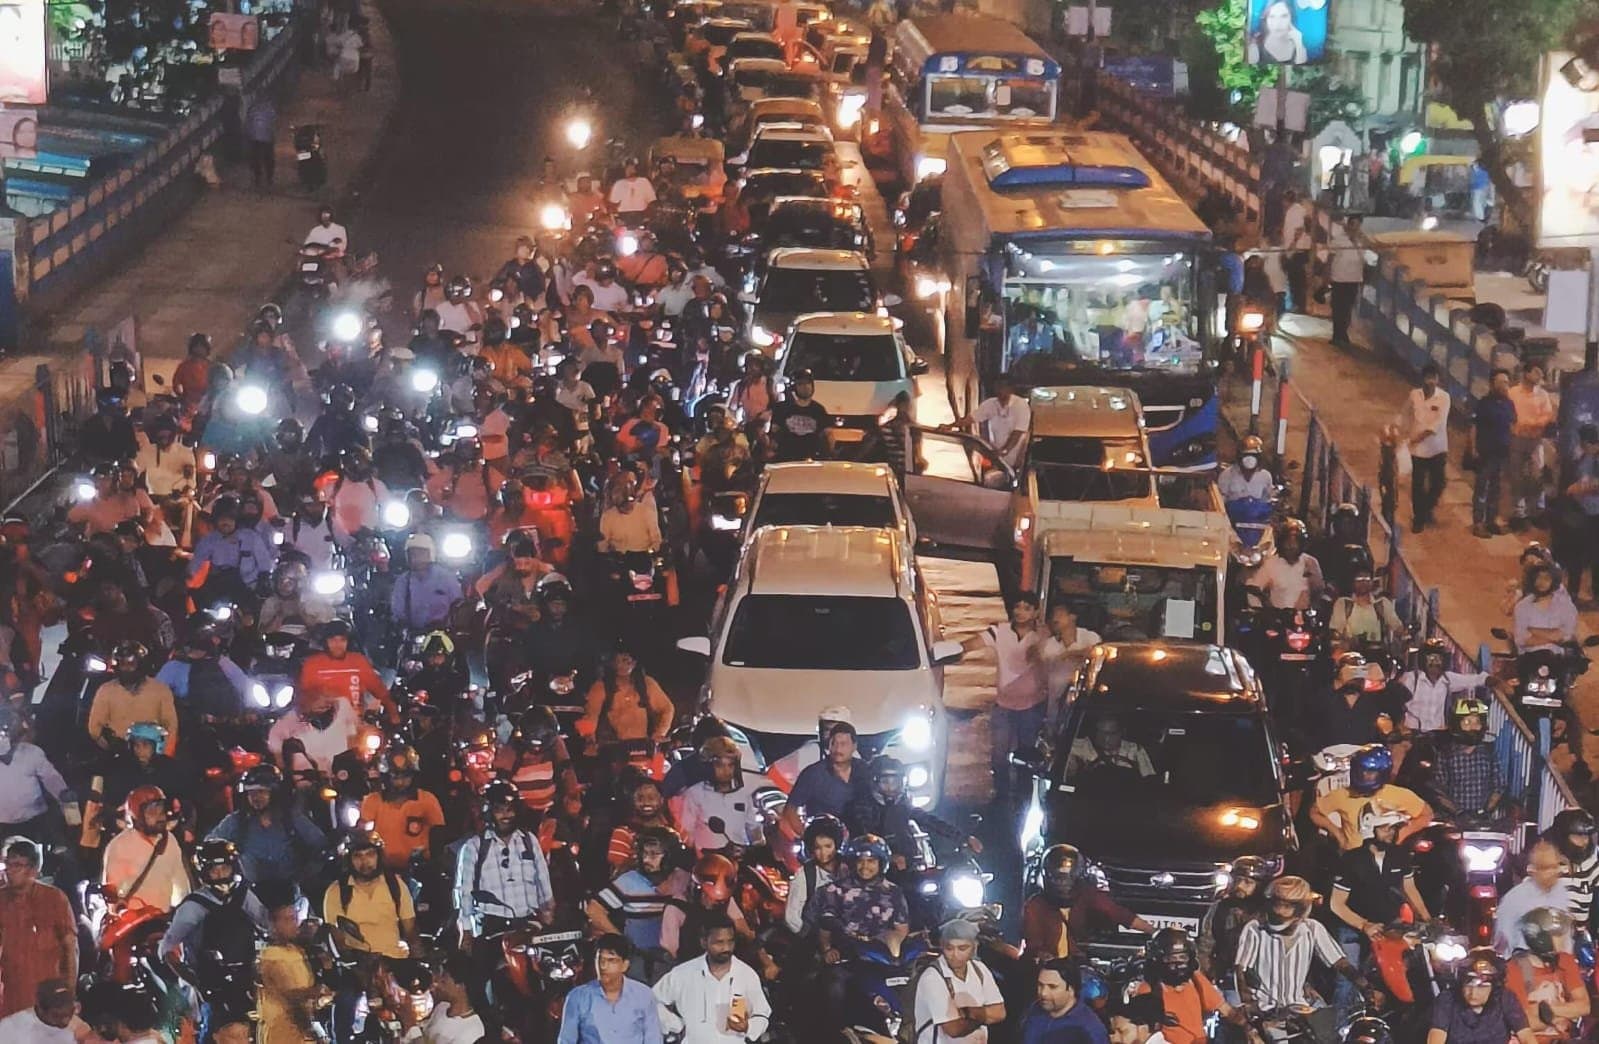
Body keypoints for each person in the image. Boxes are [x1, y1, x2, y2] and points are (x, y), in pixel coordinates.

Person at [1234, 876, 1374, 1042]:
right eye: (1277, 904)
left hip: (1300, 1010)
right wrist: (1250, 1007)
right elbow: (1241, 971)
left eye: (1286, 906)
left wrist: (1366, 987)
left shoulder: (1312, 928)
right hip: (1266, 1012)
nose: (1279, 911)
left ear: (1301, 909)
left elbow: (1340, 963)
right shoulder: (1255, 929)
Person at [1328, 804, 1432, 1014]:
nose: (1391, 833)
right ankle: (1340, 1027)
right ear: (1370, 828)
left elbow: (1410, 889)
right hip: (1353, 930)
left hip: (1391, 928)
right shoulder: (1351, 860)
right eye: (1385, 828)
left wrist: (1428, 920)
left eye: (1393, 828)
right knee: (1348, 980)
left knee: (1417, 970)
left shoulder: (1400, 855)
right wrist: (1364, 925)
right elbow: (1336, 904)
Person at [161, 840, 265, 1043]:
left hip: (246, 977)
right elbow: (167, 948)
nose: (220, 875)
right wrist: (193, 980)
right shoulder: (193, 906)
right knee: (213, 1030)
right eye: (214, 871)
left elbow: (266, 923)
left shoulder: (244, 896)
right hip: (209, 983)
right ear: (204, 873)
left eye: (225, 868)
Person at [962, 595, 1046, 799]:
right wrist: (949, 651)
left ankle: (1025, 796)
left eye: (1027, 608)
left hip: (1032, 706)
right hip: (1004, 705)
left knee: (1027, 755)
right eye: (1017, 606)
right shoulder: (999, 631)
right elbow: (970, 644)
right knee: (999, 755)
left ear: (1036, 612)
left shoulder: (1044, 635)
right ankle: (1000, 796)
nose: (1020, 612)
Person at [455, 780, 557, 949]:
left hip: (528, 925)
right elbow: (464, 892)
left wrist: (548, 914)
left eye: (510, 809)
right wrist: (466, 931)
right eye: (499, 810)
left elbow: (543, 881)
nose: (506, 816)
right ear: (488, 812)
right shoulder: (474, 846)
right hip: (491, 927)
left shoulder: (528, 840)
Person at [589, 829, 691, 983]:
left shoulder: (682, 880)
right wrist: (621, 940)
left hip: (676, 963)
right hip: (639, 963)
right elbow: (594, 910)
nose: (646, 860)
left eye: (654, 855)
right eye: (644, 854)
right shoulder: (629, 881)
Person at [207, 764, 327, 890]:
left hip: (291, 890)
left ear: (275, 793)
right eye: (251, 793)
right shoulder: (237, 822)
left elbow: (320, 846)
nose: (255, 798)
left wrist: (307, 876)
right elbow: (210, 845)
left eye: (261, 792)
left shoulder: (292, 820)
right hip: (249, 893)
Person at [653, 914, 771, 1043]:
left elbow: (762, 1014)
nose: (726, 948)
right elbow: (651, 1001)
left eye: (730, 941)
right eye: (719, 942)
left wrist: (748, 1027)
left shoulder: (746, 974)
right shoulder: (683, 974)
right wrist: (675, 1025)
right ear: (704, 942)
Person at [1021, 844, 1152, 957]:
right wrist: (1047, 960)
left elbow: (1119, 914)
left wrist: (1154, 932)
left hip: (1077, 965)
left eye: (1068, 878)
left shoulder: (1086, 896)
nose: (1063, 884)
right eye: (1058, 878)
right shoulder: (1035, 906)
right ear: (1047, 877)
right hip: (1046, 970)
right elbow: (1034, 946)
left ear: (1078, 877)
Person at [0, 840, 76, 1019]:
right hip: (10, 996)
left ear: (33, 870)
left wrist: (69, 991)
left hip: (47, 997)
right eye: (7, 864)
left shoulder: (54, 899)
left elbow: (70, 948)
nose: (9, 871)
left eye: (17, 865)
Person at [1311, 744, 1431, 851]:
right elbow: (1315, 812)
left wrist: (1402, 834)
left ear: (1381, 773)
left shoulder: (1398, 794)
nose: (1364, 775)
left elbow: (1427, 813)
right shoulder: (1342, 794)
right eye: (1361, 771)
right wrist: (1337, 833)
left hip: (1388, 855)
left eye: (1370, 773)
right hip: (1353, 858)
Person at [913, 917, 1007, 1043]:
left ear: (974, 947)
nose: (955, 955)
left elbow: (1000, 1013)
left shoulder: (979, 969)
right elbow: (954, 1029)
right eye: (949, 948)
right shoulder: (932, 977)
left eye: (962, 948)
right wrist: (984, 1015)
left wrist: (968, 1013)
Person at [559, 934, 665, 1043]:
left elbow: (654, 1039)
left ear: (625, 965)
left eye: (611, 960)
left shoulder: (643, 994)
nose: (603, 966)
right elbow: (566, 1040)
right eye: (600, 959)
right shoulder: (577, 997)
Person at [102, 786, 191, 911]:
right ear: (137, 815)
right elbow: (112, 894)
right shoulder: (120, 845)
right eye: (152, 812)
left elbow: (180, 886)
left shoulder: (170, 841)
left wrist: (184, 911)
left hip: (163, 918)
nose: (160, 817)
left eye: (161, 810)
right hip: (132, 919)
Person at [1504, 908, 1588, 1040]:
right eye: (1557, 935)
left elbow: (1584, 1006)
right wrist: (1562, 1016)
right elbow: (1523, 1022)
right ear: (1540, 939)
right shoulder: (1514, 969)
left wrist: (1547, 1011)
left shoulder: (1565, 960)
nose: (1563, 939)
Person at [360, 745, 446, 871]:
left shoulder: (427, 800)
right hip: (381, 871)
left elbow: (439, 836)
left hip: (419, 870)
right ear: (386, 778)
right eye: (395, 777)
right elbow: (363, 837)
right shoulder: (372, 801)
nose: (400, 782)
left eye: (406, 777)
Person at [1197, 856, 1272, 997]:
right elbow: (1206, 944)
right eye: (1237, 880)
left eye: (1248, 882)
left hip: (1264, 980)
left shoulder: (1269, 913)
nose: (1240, 886)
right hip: (1228, 978)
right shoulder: (1221, 908)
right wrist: (1206, 976)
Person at [1430, 948, 1539, 1044]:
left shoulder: (1505, 998)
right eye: (1468, 985)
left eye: (1481, 987)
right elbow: (1436, 1035)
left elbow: (1526, 1036)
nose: (1473, 993)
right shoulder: (1447, 999)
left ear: (1493, 987)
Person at [87, 641, 179, 754]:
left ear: (141, 665)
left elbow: (171, 726)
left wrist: (164, 755)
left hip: (153, 752)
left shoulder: (160, 690)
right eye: (122, 664)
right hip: (119, 751)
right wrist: (111, 751)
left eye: (131, 664)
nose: (126, 669)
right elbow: (94, 729)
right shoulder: (106, 690)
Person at [580, 643, 674, 753]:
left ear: (635, 662)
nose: (622, 664)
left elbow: (667, 709)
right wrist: (589, 740)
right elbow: (589, 716)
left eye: (626, 660)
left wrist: (659, 733)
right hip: (612, 749)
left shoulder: (647, 684)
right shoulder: (600, 687)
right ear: (611, 662)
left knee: (661, 763)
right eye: (618, 660)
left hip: (646, 747)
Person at [256, 900, 326, 1044]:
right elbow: (291, 997)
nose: (294, 924)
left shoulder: (297, 951)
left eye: (295, 918)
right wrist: (316, 992)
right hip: (280, 1033)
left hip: (301, 1033)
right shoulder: (271, 956)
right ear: (273, 925)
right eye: (287, 920)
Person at [678, 736, 765, 851]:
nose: (726, 771)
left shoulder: (743, 794)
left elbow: (753, 828)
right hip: (708, 857)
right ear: (708, 767)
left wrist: (759, 845)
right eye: (720, 765)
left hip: (739, 856)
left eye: (731, 765)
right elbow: (687, 833)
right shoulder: (694, 794)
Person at [1401, 638, 1498, 734]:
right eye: (1431, 658)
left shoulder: (1447, 679)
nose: (1435, 663)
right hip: (1412, 733)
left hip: (1437, 734)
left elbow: (1472, 680)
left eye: (1438, 659)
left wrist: (1491, 680)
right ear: (1423, 660)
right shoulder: (1411, 679)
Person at [785, 718, 871, 822]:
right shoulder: (813, 774)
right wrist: (806, 831)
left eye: (843, 744)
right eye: (833, 743)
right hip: (823, 830)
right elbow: (790, 809)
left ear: (854, 746)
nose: (838, 749)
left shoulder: (865, 769)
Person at [1435, 696, 1506, 820]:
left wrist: (1486, 810)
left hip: (1483, 819)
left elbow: (1499, 785)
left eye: (1477, 722)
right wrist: (1458, 812)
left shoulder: (1489, 752)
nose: (1473, 727)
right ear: (1457, 725)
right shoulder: (1446, 754)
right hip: (1453, 819)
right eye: (1467, 722)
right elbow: (1439, 789)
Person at [1496, 841, 1573, 955]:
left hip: (1558, 960)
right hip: (1523, 960)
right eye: (1544, 868)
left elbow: (1565, 937)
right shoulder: (1514, 898)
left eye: (1554, 867)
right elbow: (1503, 940)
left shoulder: (1562, 893)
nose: (1551, 872)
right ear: (1534, 870)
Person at [268, 685, 359, 777]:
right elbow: (275, 735)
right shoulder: (294, 718)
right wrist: (280, 761)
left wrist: (352, 755)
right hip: (313, 774)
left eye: (327, 696)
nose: (326, 702)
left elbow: (353, 729)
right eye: (319, 697)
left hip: (343, 771)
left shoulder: (343, 705)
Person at [1402, 361, 1450, 532]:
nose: (1431, 381)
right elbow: (1405, 414)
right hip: (1417, 450)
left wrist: (1417, 437)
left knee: (1439, 483)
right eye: (1428, 377)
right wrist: (1400, 432)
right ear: (1422, 378)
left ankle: (1426, 509)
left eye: (1433, 378)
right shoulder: (1414, 395)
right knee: (1418, 485)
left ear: (1438, 380)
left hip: (1437, 448)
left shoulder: (1444, 397)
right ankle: (1419, 518)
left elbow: (1437, 424)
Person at [1508, 363, 1555, 529]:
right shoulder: (1513, 393)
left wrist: (1528, 423)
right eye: (1536, 372)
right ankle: (1519, 512)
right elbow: (1509, 415)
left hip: (1535, 440)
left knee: (1537, 475)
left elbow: (1547, 415)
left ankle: (1537, 511)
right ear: (1526, 373)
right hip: (1517, 439)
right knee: (1516, 476)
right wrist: (1527, 424)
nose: (1539, 376)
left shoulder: (1543, 395)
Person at [1020, 958, 1110, 1044]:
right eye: (1040, 985)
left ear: (1071, 989)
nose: (1043, 993)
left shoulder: (1090, 1028)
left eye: (1052, 987)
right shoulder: (1034, 1009)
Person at [1471, 368, 1516, 538]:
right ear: (1492, 384)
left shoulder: (1509, 404)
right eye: (1501, 382)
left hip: (1502, 453)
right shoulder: (1483, 404)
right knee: (1482, 487)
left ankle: (1491, 521)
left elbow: (1512, 425)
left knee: (1496, 489)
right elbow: (1474, 426)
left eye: (1507, 382)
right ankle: (1478, 523)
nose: (1505, 385)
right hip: (1486, 453)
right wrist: (1473, 448)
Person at [1039, 603, 1100, 724]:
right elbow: (1045, 663)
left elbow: (1096, 653)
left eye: (1060, 615)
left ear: (1072, 617)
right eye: (1053, 616)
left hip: (1084, 700)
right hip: (1056, 701)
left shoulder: (1090, 637)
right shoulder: (1049, 644)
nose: (1055, 619)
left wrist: (1069, 654)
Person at [390, 533, 463, 634]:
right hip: (412, 634)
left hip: (442, 633)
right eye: (412, 554)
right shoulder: (403, 581)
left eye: (420, 553)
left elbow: (459, 606)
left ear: (430, 554)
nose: (415, 558)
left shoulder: (446, 578)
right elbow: (397, 611)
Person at [785, 814, 844, 937]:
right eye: (818, 847)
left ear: (836, 845)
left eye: (828, 846)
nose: (823, 853)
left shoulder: (849, 868)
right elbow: (791, 917)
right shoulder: (804, 875)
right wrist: (809, 937)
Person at [1543, 809, 1599, 933]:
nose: (1584, 841)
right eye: (1578, 836)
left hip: (1581, 933)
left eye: (1586, 836)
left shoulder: (1591, 860)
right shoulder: (1544, 863)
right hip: (1551, 934)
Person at [1561, 425, 1599, 604]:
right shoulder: (1583, 456)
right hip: (1580, 512)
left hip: (1595, 516)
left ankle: (1596, 596)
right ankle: (1573, 594)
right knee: (1575, 556)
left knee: (1596, 557)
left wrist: (1581, 488)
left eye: (1585, 444)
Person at [1252, 518, 1325, 609]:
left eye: (1295, 542)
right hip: (1278, 615)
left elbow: (1319, 590)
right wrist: (1262, 609)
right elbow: (1253, 589)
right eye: (1287, 542)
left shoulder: (1310, 562)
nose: (1291, 546)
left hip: (1303, 615)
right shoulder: (1271, 564)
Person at [966, 374, 1031, 470]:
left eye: (1002, 387)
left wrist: (1005, 450)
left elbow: (1018, 432)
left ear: (1010, 389)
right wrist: (951, 426)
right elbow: (971, 418)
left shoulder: (1021, 405)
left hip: (1016, 457)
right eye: (997, 387)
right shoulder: (990, 404)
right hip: (997, 456)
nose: (999, 390)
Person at [767, 369, 833, 462]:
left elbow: (828, 435)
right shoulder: (783, 409)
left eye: (808, 383)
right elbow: (774, 434)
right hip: (787, 458)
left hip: (811, 459)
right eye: (800, 384)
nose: (805, 387)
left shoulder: (819, 410)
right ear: (795, 387)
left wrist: (828, 453)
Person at [1065, 715, 1156, 779]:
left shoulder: (1135, 750)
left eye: (1112, 734)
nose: (1106, 738)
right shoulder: (1079, 746)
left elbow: (1149, 778)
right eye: (1101, 733)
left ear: (1121, 733)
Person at [0, 980, 83, 1044]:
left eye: (69, 1013)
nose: (65, 1021)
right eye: (57, 1016)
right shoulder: (10, 1028)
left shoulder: (76, 1026)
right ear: (40, 1009)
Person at [1328, 214, 1366, 350]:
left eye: (1358, 225)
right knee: (1338, 308)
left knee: (1348, 309)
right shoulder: (1338, 240)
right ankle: (1337, 335)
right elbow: (1330, 258)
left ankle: (1342, 334)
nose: (1355, 228)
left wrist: (1356, 242)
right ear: (1349, 225)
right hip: (1339, 279)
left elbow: (1364, 259)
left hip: (1354, 279)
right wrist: (1326, 276)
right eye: (1354, 224)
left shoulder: (1361, 242)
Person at [1219, 435, 1273, 504]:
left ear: (1259, 457)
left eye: (1253, 455)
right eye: (1246, 455)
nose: (1249, 460)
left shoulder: (1265, 476)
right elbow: (1221, 500)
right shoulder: (1227, 475)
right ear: (1239, 456)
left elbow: (1266, 500)